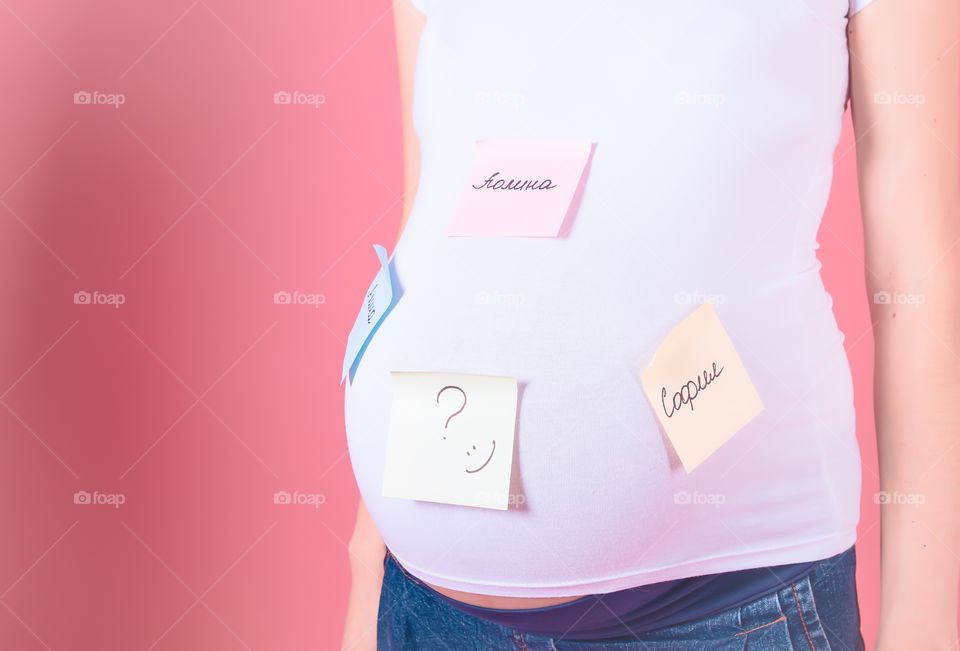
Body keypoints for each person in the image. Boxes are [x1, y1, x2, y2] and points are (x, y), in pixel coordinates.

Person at [341, 0, 960, 648]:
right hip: (422, 606)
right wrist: (366, 567)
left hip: (728, 606)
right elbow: (431, 209)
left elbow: (918, 279)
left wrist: (921, 629)